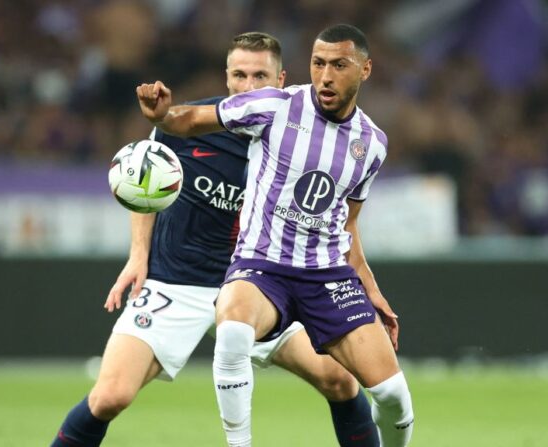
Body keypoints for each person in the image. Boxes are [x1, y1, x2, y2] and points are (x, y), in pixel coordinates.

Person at [51, 32, 379, 447]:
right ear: (226, 78)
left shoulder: (302, 134)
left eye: (260, 76)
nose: (248, 86)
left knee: (341, 380)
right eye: (239, 75)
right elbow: (143, 181)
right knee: (110, 396)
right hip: (177, 279)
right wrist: (138, 257)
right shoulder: (193, 122)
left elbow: (339, 215)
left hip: (260, 286)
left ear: (281, 80)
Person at [136, 24, 414, 447]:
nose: (325, 76)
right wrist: (161, 116)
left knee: (392, 396)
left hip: (327, 277)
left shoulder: (372, 144)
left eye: (339, 65)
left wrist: (370, 289)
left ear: (365, 69)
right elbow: (191, 120)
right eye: (318, 64)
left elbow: (347, 225)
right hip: (262, 267)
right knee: (231, 329)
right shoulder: (275, 105)